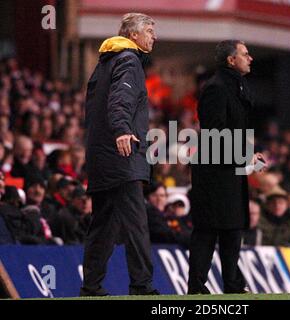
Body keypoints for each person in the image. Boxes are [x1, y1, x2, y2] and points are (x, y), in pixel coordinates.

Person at [80, 13, 158, 296]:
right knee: (136, 222)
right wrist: (123, 130)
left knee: (103, 225)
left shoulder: (103, 64)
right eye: (149, 31)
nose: (154, 36)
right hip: (122, 153)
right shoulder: (129, 60)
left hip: (101, 155)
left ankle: (91, 286)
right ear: (133, 35)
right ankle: (142, 285)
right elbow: (121, 100)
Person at [188, 40, 266, 294]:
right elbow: (215, 131)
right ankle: (197, 287)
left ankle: (233, 285)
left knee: (232, 229)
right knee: (209, 230)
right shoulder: (217, 88)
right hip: (214, 172)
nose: (250, 58)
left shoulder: (234, 85)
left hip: (229, 168)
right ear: (231, 60)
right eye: (245, 54)